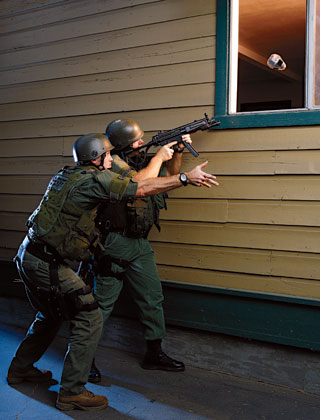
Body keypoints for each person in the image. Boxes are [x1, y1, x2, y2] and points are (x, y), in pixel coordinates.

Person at [7, 133, 138, 411]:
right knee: (89, 317)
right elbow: (139, 188)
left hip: (30, 254)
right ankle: (71, 393)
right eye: (108, 155)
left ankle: (20, 369)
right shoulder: (89, 183)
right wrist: (183, 178)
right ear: (96, 157)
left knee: (50, 314)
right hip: (46, 262)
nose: (112, 159)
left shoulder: (68, 176)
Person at [89, 119, 219, 383]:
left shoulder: (140, 160)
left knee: (152, 298)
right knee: (101, 304)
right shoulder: (111, 164)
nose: (141, 144)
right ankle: (84, 358)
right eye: (136, 141)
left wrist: (177, 152)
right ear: (123, 144)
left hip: (140, 243)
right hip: (114, 242)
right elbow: (138, 185)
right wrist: (160, 156)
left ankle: (154, 353)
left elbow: (168, 176)